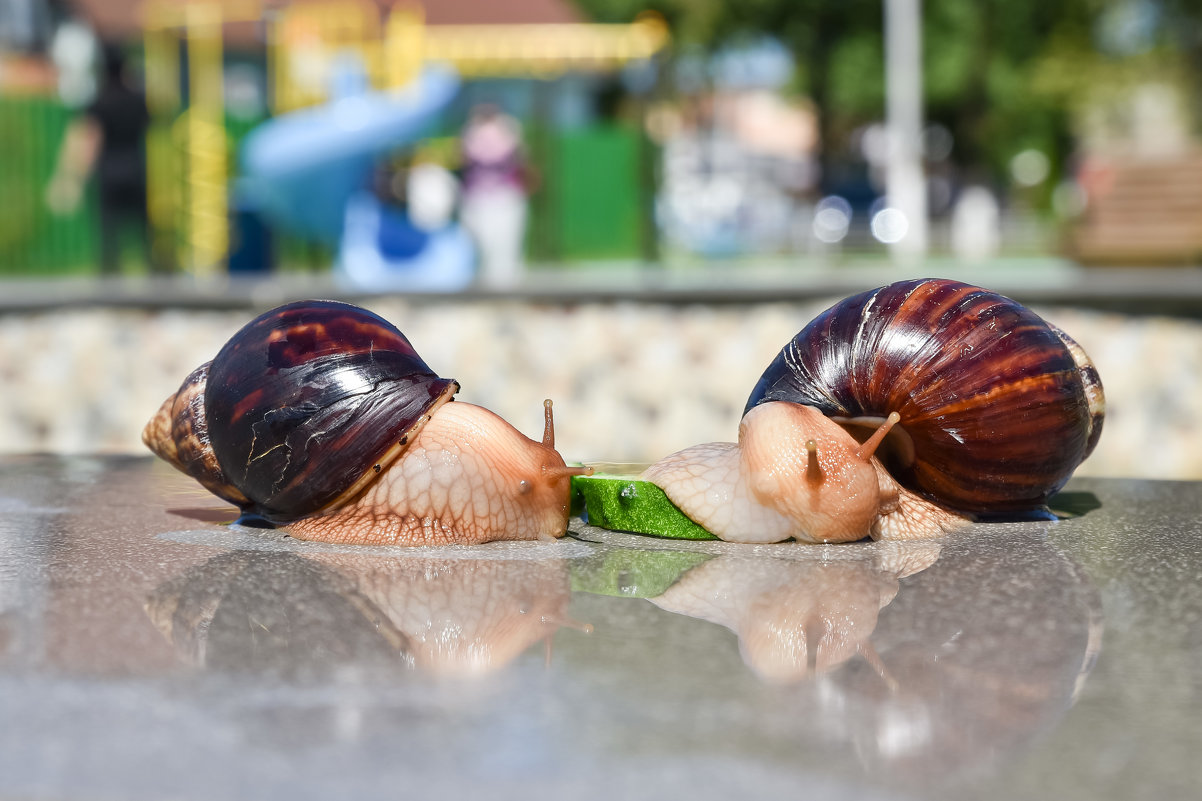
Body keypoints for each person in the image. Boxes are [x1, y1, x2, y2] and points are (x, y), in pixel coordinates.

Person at [46, 44, 153, 275]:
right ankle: (152, 277)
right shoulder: (138, 99)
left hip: (108, 171)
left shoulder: (99, 101)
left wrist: (71, 176)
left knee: (108, 233)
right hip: (136, 168)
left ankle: (110, 280)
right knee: (143, 233)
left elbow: (89, 139)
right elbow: (151, 126)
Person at [458, 104, 532, 289]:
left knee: (502, 252)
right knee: (490, 251)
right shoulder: (473, 132)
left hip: (502, 198)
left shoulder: (506, 130)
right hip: (482, 199)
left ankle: (500, 291)